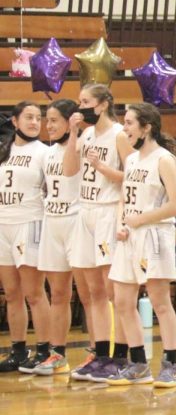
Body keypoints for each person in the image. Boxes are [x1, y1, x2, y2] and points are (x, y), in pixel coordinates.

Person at [106, 104, 176, 386]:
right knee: (123, 301)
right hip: (131, 235)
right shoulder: (131, 160)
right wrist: (122, 224)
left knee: (160, 303)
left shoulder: (164, 159)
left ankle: (171, 364)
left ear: (146, 126)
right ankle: (138, 363)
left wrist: (140, 219)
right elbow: (123, 198)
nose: (124, 129)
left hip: (155, 235)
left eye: (129, 123)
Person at [65, 84, 133, 383]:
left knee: (111, 290)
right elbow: (69, 170)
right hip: (86, 210)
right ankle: (100, 354)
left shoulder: (118, 134)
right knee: (92, 291)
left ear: (103, 104)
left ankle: (120, 356)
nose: (81, 107)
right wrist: (72, 134)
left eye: (86, 101)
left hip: (108, 211)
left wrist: (102, 167)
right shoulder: (87, 134)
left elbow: (134, 176)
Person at [34, 100, 90, 376]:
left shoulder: (81, 146)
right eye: (47, 121)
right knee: (58, 294)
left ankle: (98, 353)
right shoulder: (46, 153)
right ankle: (57, 354)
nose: (49, 126)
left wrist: (75, 133)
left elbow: (74, 171)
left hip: (76, 221)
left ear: (70, 121)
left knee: (90, 295)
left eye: (54, 120)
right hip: (52, 222)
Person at [0, 102, 52, 372]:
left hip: (30, 222)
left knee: (34, 292)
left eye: (38, 118)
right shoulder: (3, 150)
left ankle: (44, 350)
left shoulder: (44, 152)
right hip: (3, 224)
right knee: (11, 293)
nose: (35, 122)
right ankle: (17, 350)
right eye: (29, 117)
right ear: (15, 122)